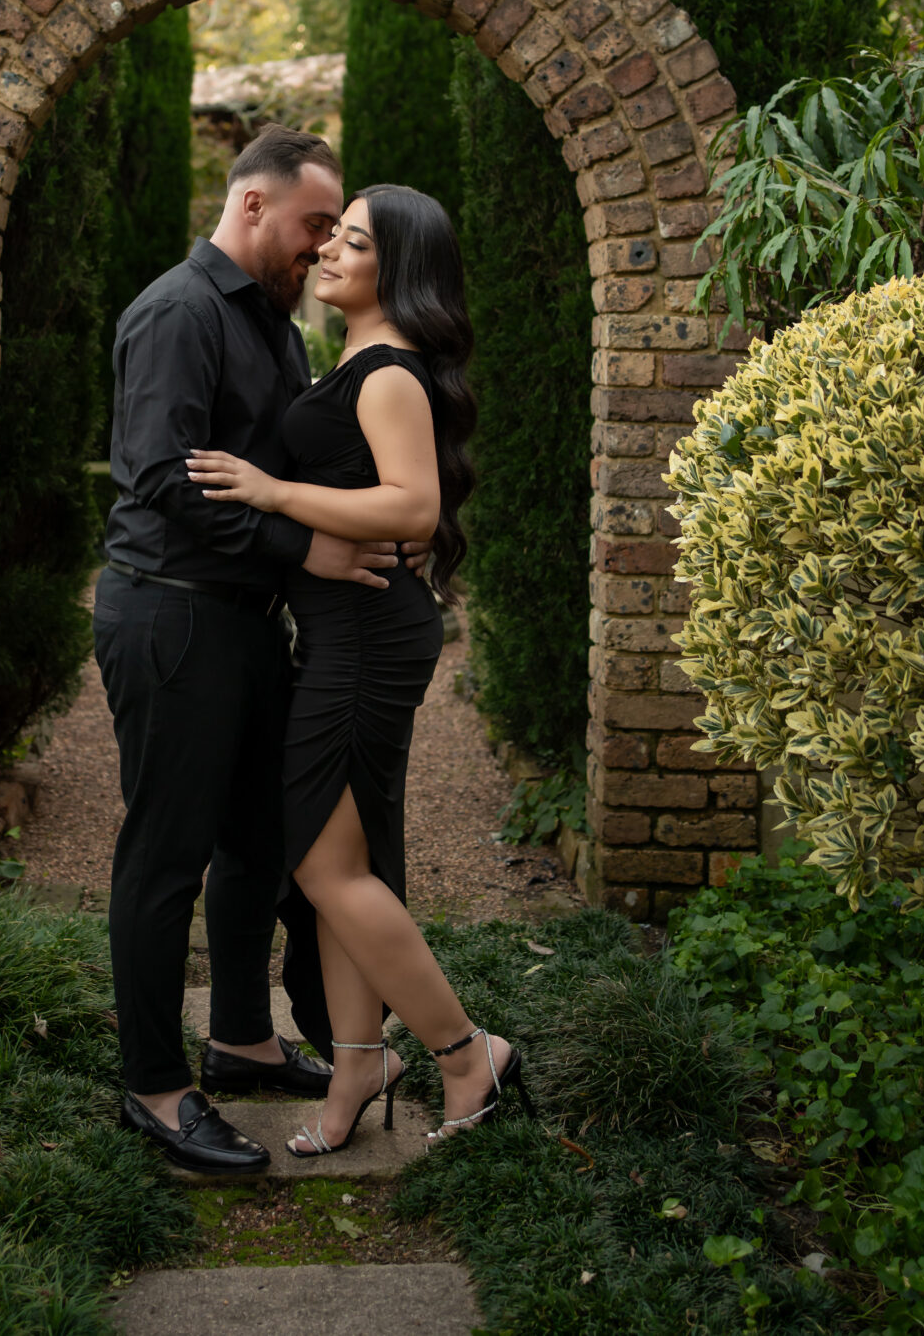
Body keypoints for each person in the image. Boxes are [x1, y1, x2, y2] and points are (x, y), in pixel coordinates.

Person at [188, 184, 535, 1155]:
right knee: (340, 866)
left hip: (366, 641)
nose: (330, 254)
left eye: (354, 243)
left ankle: (465, 1055)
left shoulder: (386, 372)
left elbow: (412, 508)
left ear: (399, 269)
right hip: (349, 633)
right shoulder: (358, 361)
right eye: (332, 237)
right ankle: (356, 1066)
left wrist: (270, 489)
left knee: (323, 864)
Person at [95, 125, 416, 1174]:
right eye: (314, 226)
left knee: (259, 844)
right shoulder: (179, 313)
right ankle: (154, 1085)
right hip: (171, 616)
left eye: (336, 232)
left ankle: (240, 1038)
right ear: (251, 207)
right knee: (165, 854)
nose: (323, 248)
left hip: (242, 622)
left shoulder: (275, 326)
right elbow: (155, 477)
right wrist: (304, 547)